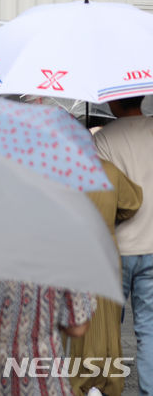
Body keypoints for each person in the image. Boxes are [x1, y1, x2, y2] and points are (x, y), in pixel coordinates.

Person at [67, 158, 142, 396]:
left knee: (73, 316)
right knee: (107, 319)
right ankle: (104, 382)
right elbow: (132, 202)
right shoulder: (110, 171)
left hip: (73, 250)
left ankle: (77, 381)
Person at [94, 95, 153, 395]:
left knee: (107, 331)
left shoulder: (104, 139)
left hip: (115, 250)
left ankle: (105, 388)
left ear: (114, 103)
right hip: (152, 245)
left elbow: (99, 192)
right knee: (149, 331)